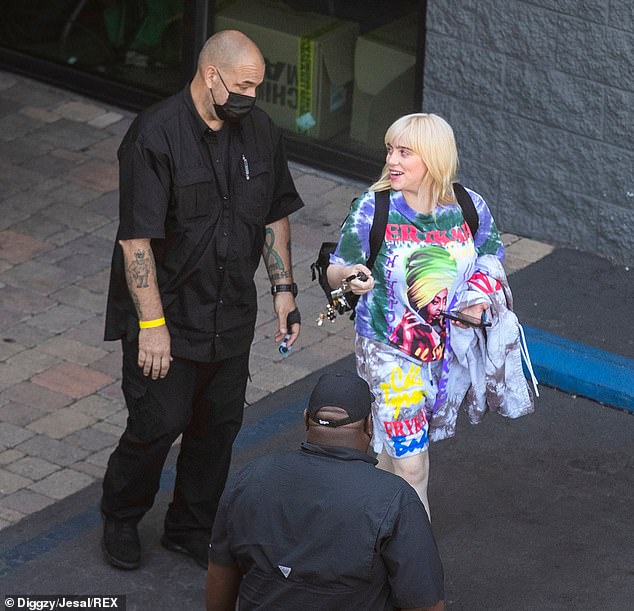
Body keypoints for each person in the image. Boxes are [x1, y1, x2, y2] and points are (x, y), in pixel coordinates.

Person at [100, 29, 304, 570]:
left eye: (257, 88)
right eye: (242, 86)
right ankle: (121, 515)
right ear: (211, 76)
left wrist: (283, 290)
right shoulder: (155, 136)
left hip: (230, 314)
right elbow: (136, 241)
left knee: (218, 430)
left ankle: (190, 527)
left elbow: (273, 212)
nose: (250, 99)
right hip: (168, 317)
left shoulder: (259, 131)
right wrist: (152, 326)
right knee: (155, 425)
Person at [327, 113, 511, 516]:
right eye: (390, 150)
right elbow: (336, 265)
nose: (393, 160)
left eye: (404, 152)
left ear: (433, 157)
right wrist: (351, 276)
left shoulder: (468, 205)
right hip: (386, 350)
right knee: (413, 467)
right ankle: (415, 562)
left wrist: (479, 297)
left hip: (446, 352)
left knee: (391, 458)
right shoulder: (373, 208)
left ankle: (370, 532)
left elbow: (491, 255)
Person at [206, 371, 445, 611]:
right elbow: (426, 604)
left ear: (305, 419)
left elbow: (220, 573)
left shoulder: (248, 480)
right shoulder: (395, 499)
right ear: (369, 426)